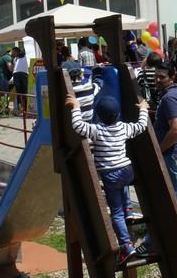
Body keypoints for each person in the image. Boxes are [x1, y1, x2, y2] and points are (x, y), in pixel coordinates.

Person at [66, 92, 148, 265]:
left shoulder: (96, 130)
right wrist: (143, 109)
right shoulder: (124, 128)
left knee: (116, 213)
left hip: (110, 174)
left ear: (98, 115)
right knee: (123, 183)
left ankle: (127, 246)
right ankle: (129, 209)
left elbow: (78, 126)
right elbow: (141, 126)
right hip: (127, 170)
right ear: (118, 114)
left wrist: (76, 107)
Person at [137, 61, 177, 257]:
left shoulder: (169, 98)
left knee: (173, 196)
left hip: (172, 154)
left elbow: (176, 128)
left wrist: (159, 150)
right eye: (156, 76)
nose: (158, 80)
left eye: (162, 77)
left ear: (172, 77)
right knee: (171, 196)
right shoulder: (175, 94)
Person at [11, 46, 29, 115]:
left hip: (23, 74)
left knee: (24, 92)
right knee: (20, 93)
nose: (12, 53)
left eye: (14, 52)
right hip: (17, 75)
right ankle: (21, 108)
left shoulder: (24, 56)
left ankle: (24, 109)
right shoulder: (15, 59)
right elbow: (14, 68)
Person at [0, 49, 14, 114]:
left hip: (1, 77)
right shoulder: (7, 57)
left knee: (2, 93)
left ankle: (1, 108)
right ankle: (4, 109)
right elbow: (10, 67)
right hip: (3, 77)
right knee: (5, 93)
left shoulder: (3, 57)